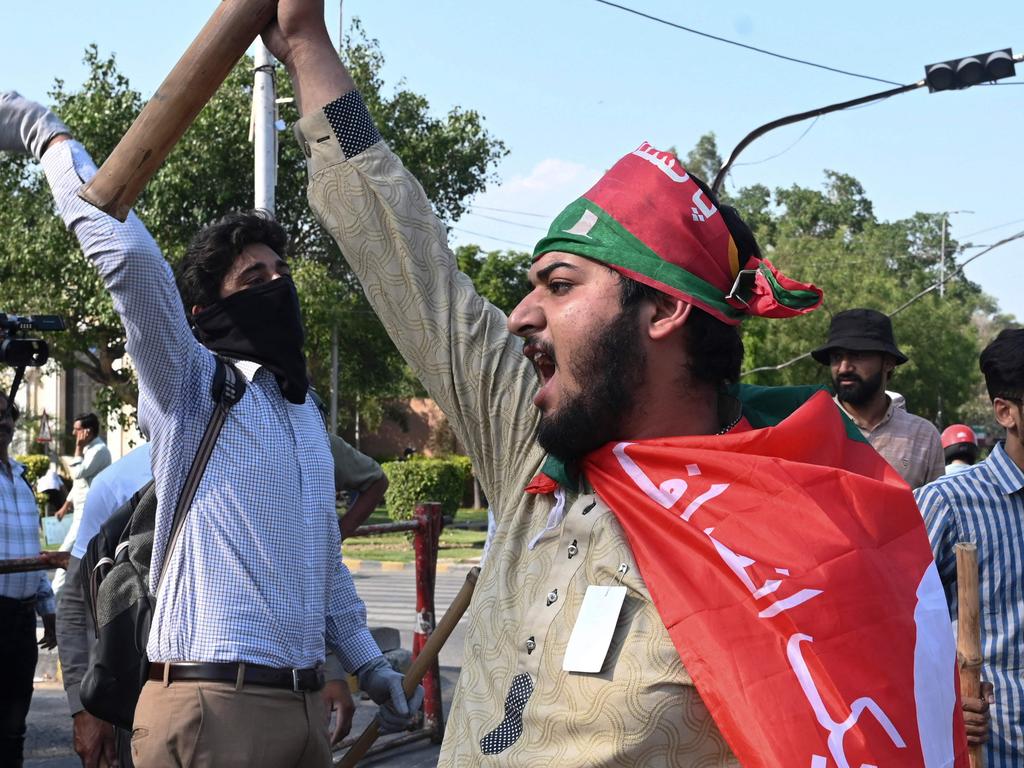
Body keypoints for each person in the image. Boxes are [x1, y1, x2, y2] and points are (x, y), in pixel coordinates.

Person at [259, 4, 980, 764]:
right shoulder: (532, 449)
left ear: (665, 308)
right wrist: (307, 42)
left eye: (560, 285)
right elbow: (406, 256)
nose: (518, 316)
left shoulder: (792, 539)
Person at [0, 91, 421, 767]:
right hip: (212, 709)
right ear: (204, 312)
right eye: (254, 276)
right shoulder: (190, 385)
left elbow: (325, 570)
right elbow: (134, 263)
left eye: (281, 273)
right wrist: (46, 139)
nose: (276, 286)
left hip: (304, 710)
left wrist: (369, 665)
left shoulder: (303, 417)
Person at [915, 328, 1024, 767]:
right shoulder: (949, 503)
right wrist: (943, 702)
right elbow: (889, 621)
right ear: (1006, 412)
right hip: (993, 753)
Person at [57, 443, 152, 768]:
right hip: (134, 706)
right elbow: (74, 601)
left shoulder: (258, 461)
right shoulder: (118, 481)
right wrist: (84, 708)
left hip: (248, 702)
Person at [811, 308, 944, 488]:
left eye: (856, 355)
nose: (843, 368)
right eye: (836, 357)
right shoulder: (811, 426)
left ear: (888, 362)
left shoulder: (923, 436)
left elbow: (933, 512)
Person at [0, 392, 57, 768]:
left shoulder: (20, 479)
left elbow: (32, 549)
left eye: (7, 413)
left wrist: (47, 607)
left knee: (13, 724)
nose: (3, 420)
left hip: (20, 620)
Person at [51, 412, 111, 594]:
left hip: (88, 512)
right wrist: (65, 506)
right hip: (79, 511)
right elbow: (79, 485)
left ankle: (55, 594)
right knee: (80, 554)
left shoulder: (99, 451)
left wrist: (77, 448)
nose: (73, 433)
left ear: (87, 431)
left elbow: (77, 473)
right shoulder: (89, 450)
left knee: (65, 551)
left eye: (76, 430)